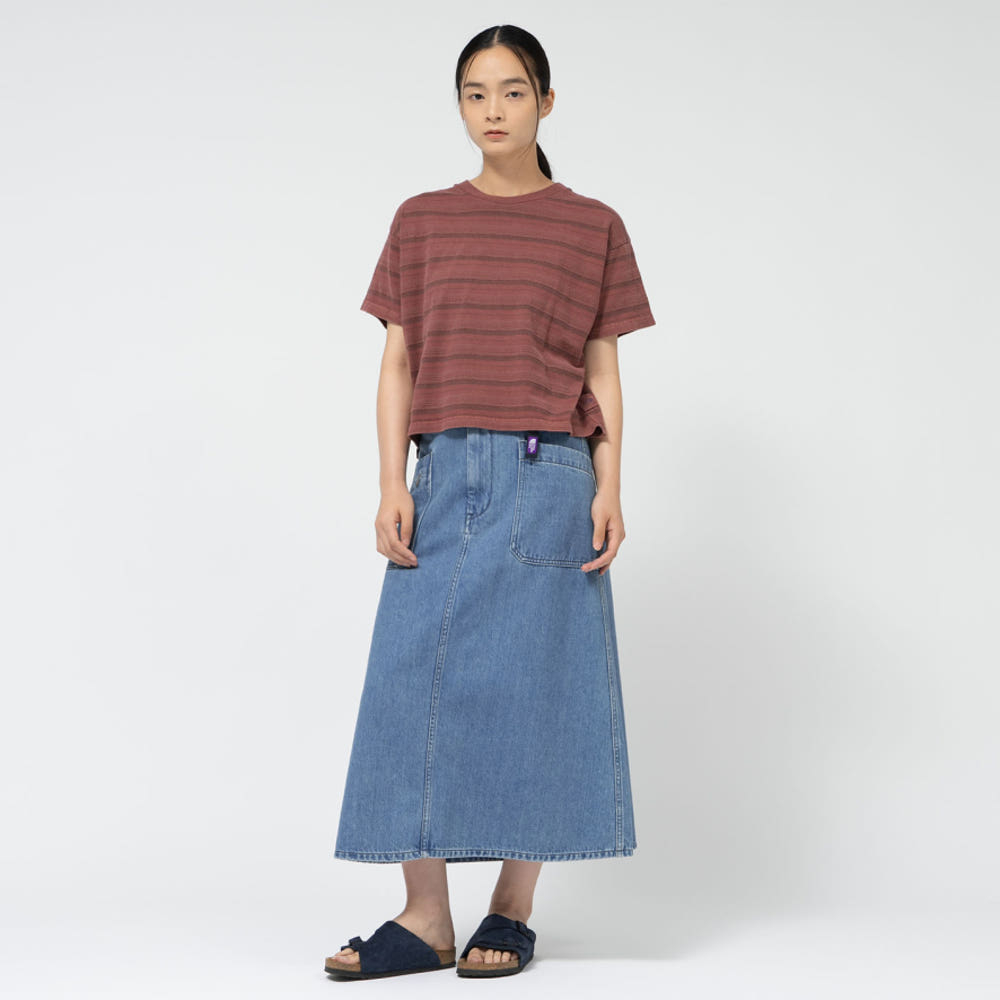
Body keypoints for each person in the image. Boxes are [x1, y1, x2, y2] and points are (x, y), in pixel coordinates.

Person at [325, 24, 655, 981]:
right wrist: (391, 480)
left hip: (550, 471)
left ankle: (511, 909)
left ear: (546, 102)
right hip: (441, 472)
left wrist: (611, 484)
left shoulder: (592, 225)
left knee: (538, 685)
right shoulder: (421, 219)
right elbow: (398, 360)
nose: (494, 110)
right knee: (408, 683)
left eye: (513, 92)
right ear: (460, 106)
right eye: (476, 93)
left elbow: (603, 365)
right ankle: (425, 915)